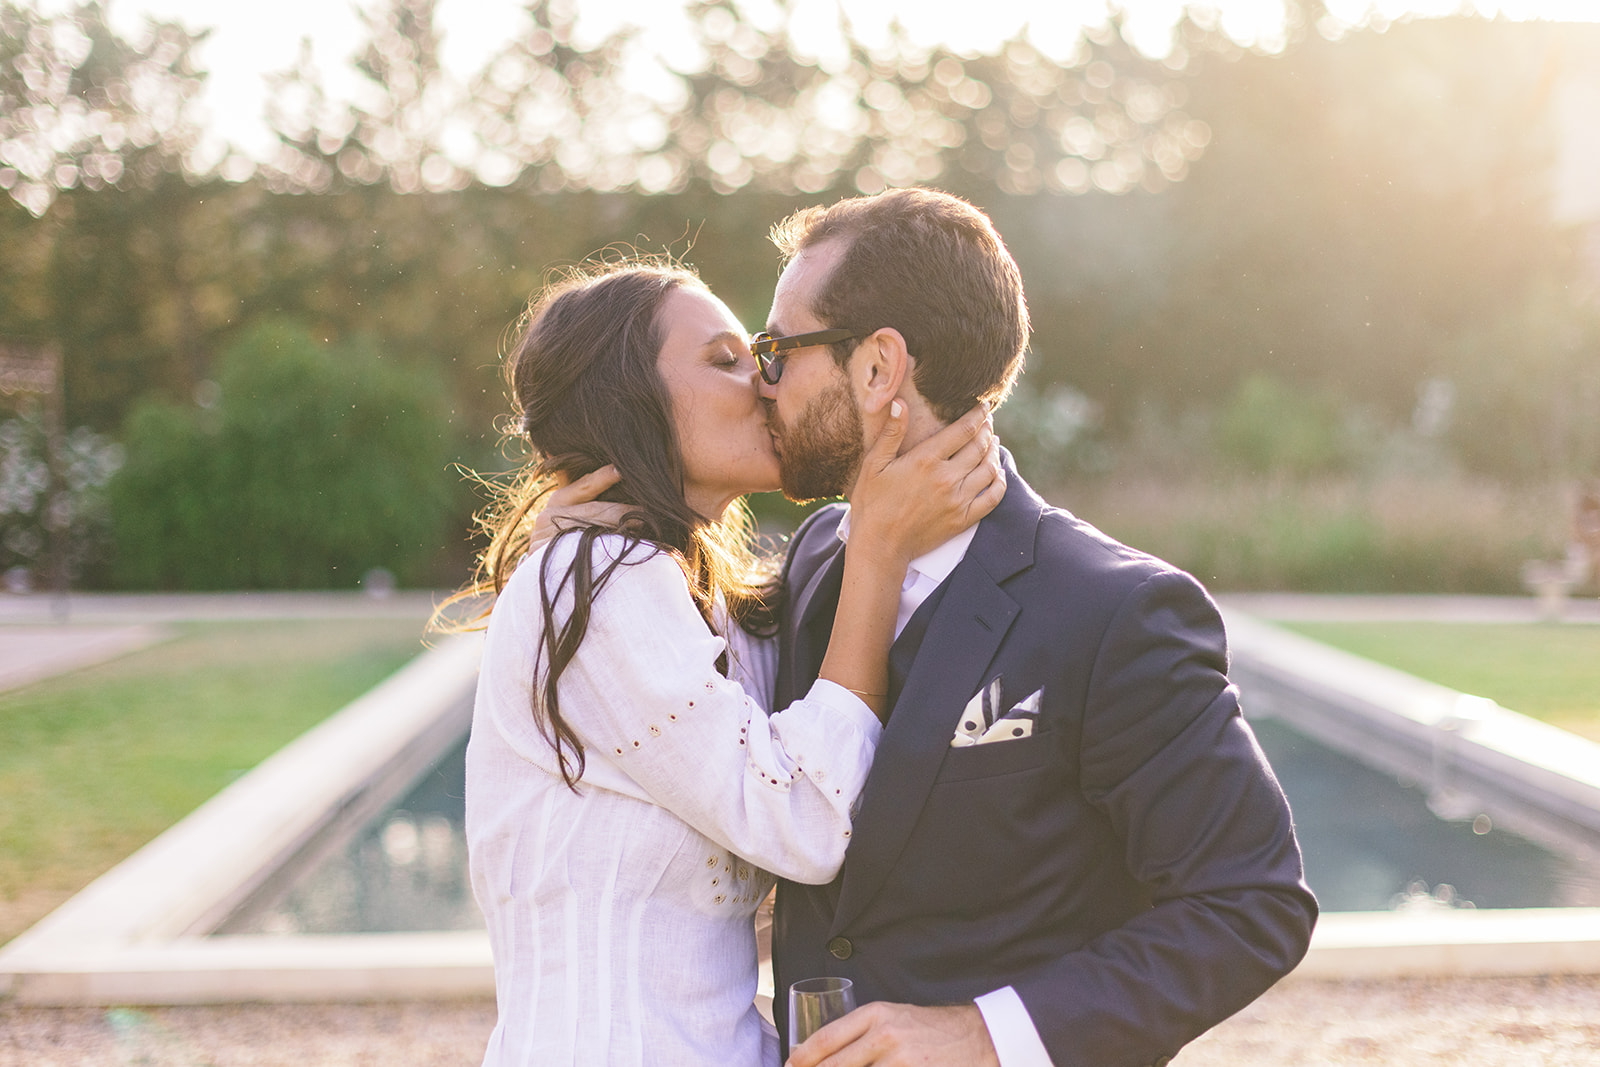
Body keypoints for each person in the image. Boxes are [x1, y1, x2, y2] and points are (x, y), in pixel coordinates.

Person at [752, 189, 1319, 1067]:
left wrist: (985, 1034)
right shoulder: (820, 557)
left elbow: (1252, 900)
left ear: (877, 368)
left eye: (777, 350)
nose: (764, 380)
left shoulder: (1113, 610)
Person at [455, 258, 1005, 1067]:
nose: (766, 381)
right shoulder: (600, 582)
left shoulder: (710, 603)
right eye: (724, 360)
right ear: (626, 400)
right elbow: (808, 821)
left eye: (759, 355)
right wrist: (879, 553)